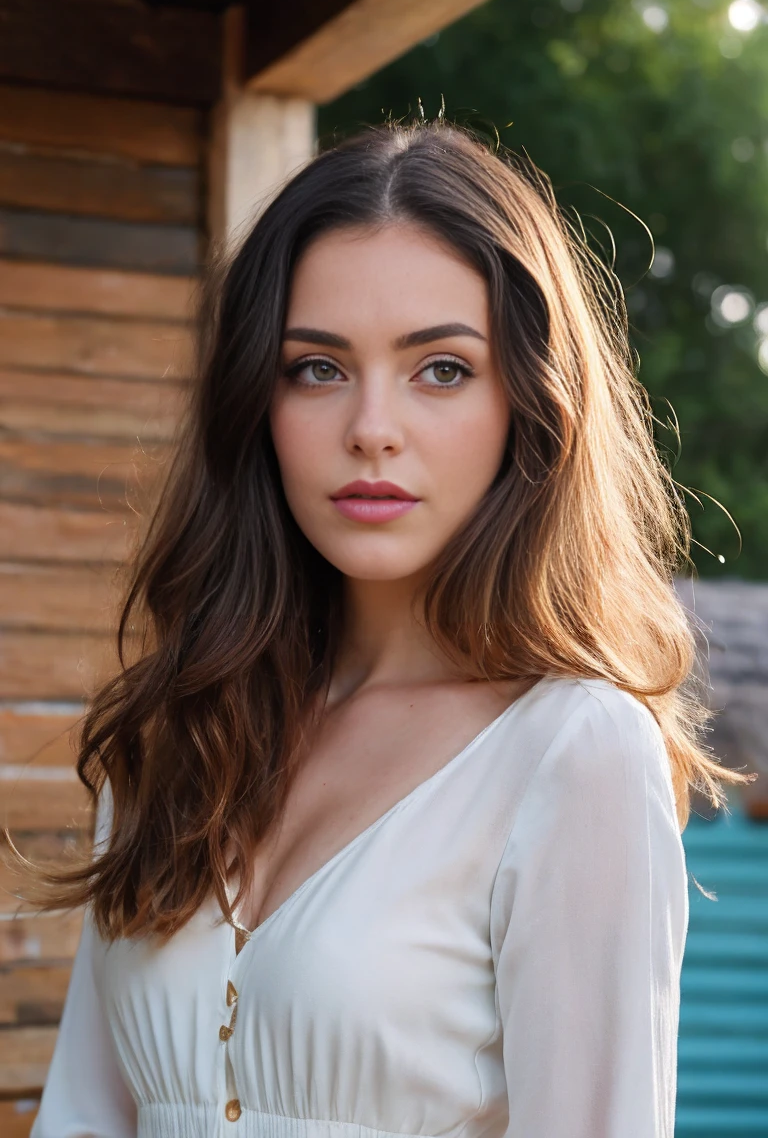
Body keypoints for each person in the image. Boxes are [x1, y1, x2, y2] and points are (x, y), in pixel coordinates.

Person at [28, 119, 748, 1138]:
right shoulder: (175, 734)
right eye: (317, 368)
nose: (372, 425)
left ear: (528, 406)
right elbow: (83, 1118)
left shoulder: (574, 753)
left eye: (441, 369)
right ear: (256, 403)